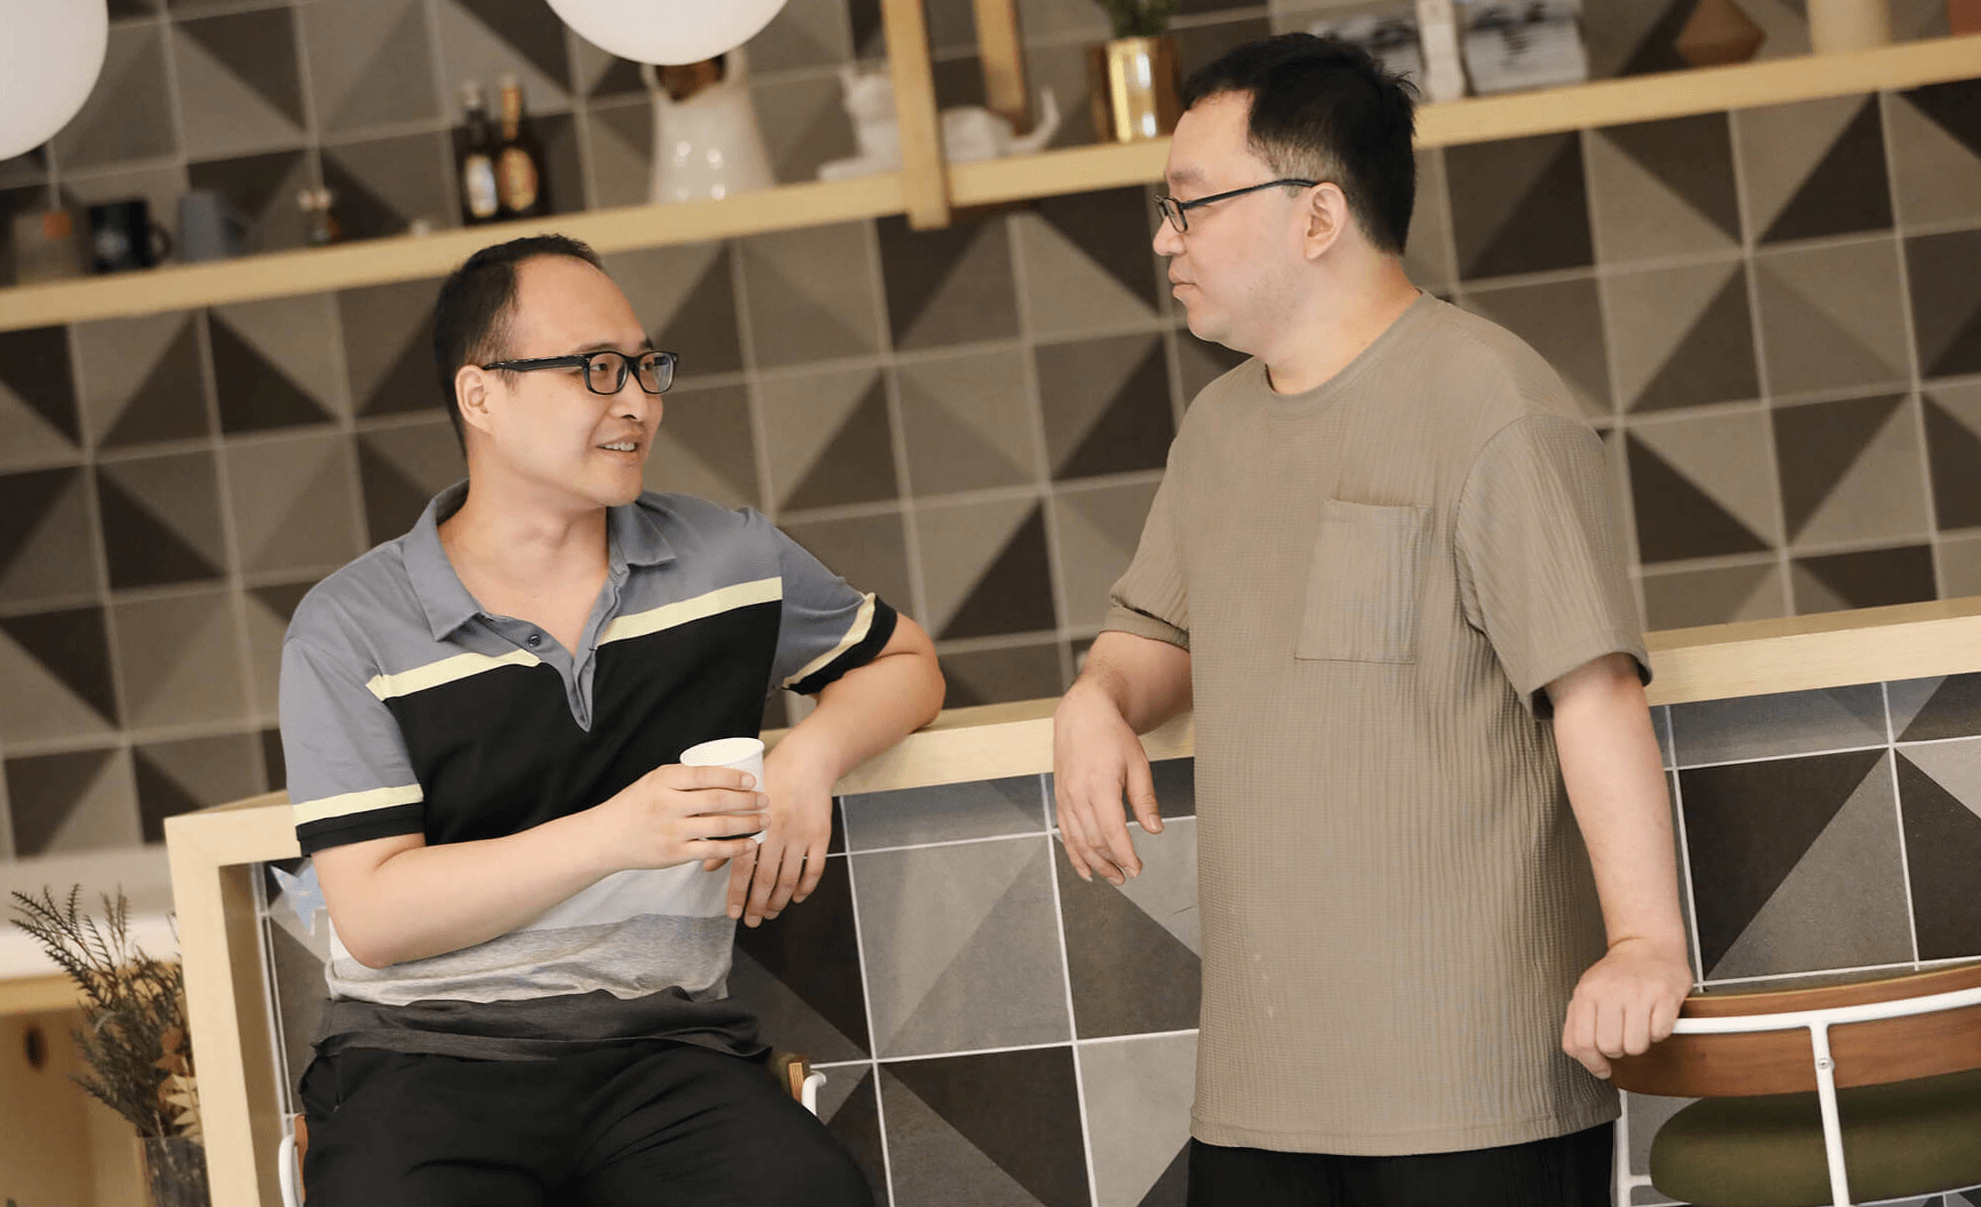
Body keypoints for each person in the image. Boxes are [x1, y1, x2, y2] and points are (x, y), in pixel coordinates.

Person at [1051, 34, 1691, 1207]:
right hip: (1260, 1085)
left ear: (1317, 214)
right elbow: (1155, 634)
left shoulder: (1492, 404)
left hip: (1472, 1086)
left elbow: (1592, 690)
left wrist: (1645, 940)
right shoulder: (1217, 429)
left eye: (1188, 204)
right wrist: (1096, 699)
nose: (1163, 239)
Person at [278, 233, 944, 1206]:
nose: (636, 400)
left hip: (665, 1050)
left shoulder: (728, 559)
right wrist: (611, 836)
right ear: (481, 396)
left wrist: (809, 756)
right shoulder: (348, 624)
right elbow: (375, 917)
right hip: (420, 1057)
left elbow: (906, 662)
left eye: (643, 365)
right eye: (595, 369)